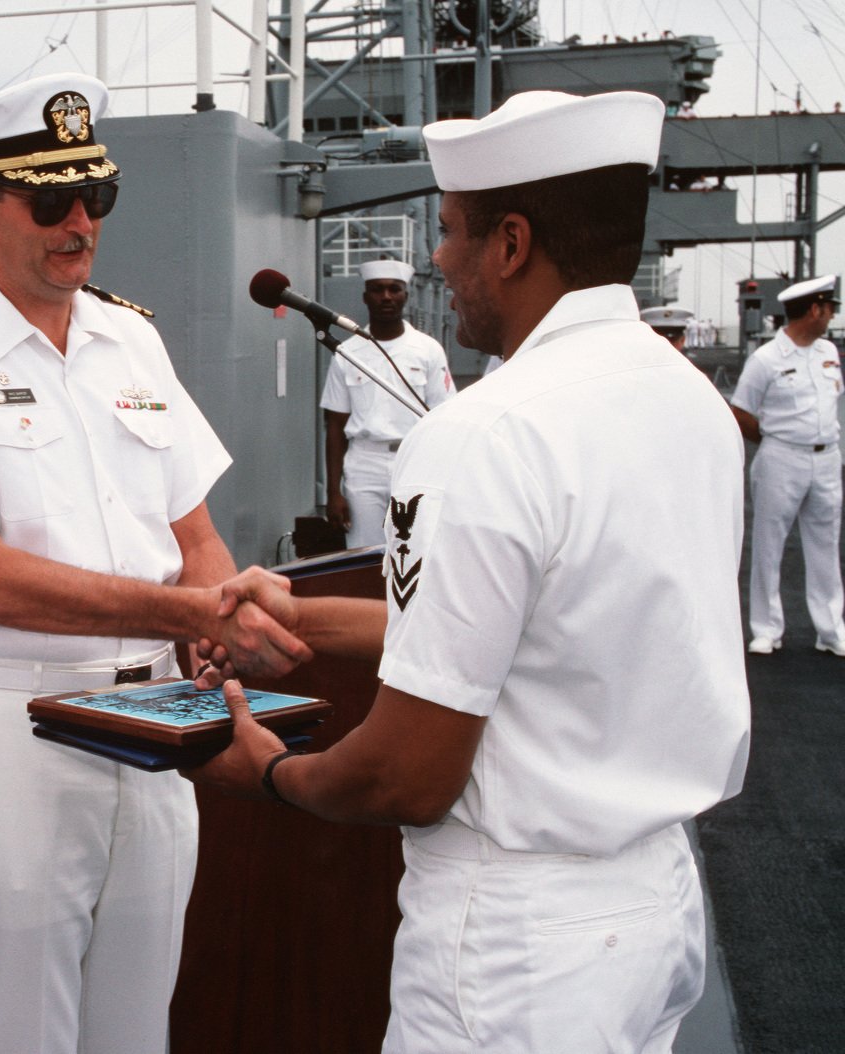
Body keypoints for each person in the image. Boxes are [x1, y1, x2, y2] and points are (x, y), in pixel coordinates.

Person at [186, 90, 751, 1052]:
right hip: (652, 906)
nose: (440, 261)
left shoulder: (487, 431)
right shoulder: (689, 401)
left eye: (450, 232)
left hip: (516, 942)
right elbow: (536, 637)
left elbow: (408, 775)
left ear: (513, 243)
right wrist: (295, 613)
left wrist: (274, 774)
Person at [0, 73, 308, 1054]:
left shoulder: (130, 338)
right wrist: (198, 617)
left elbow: (193, 533)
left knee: (138, 1017)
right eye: (50, 202)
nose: (80, 224)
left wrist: (223, 619)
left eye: (95, 197)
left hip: (155, 717)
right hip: (16, 726)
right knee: (24, 1023)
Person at [728, 274, 843, 656]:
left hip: (827, 458)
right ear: (814, 310)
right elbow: (741, 411)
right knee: (768, 544)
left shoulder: (828, 352)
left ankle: (830, 629)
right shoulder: (766, 359)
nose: (830, 317)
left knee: (825, 544)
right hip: (782, 458)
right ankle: (766, 628)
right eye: (828, 309)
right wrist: (775, 440)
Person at [321, 259, 453, 546]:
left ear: (406, 295)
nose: (386, 297)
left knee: (414, 551)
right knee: (363, 551)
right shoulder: (347, 352)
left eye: (395, 289)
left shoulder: (427, 350)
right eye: (377, 290)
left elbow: (443, 418)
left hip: (415, 459)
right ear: (365, 297)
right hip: (364, 463)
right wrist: (333, 492)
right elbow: (334, 425)